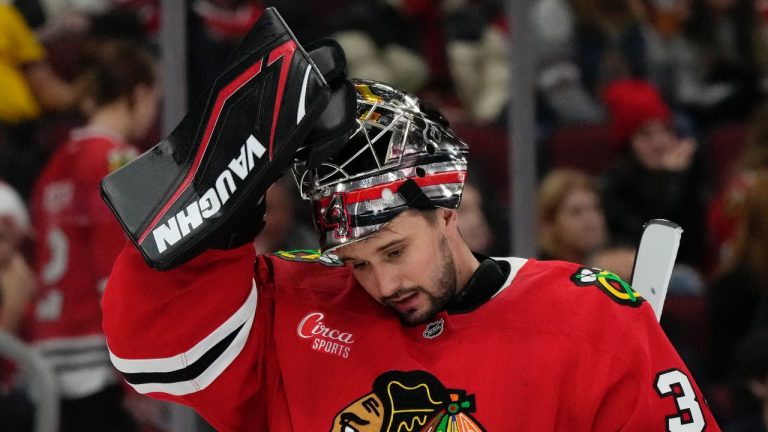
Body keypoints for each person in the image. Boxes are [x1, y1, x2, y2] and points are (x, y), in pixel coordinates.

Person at [98, 50, 720, 431]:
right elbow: (153, 352)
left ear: (447, 209)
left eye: (394, 250)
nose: (383, 284)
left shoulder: (593, 320)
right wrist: (226, 178)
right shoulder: (299, 307)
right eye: (356, 262)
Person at [26, 40, 159, 432]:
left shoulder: (56, 162)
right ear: (139, 94)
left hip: (46, 354)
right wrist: (139, 381)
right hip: (97, 361)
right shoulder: (118, 163)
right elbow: (117, 277)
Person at [599, 78, 711, 270]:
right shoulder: (612, 189)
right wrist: (671, 179)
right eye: (646, 135)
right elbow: (655, 243)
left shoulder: (689, 175)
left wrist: (683, 177)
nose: (660, 144)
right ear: (628, 146)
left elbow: (697, 245)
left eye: (666, 131)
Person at [536, 168, 607, 264]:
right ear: (549, 223)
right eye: (576, 212)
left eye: (595, 208)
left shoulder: (613, 268)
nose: (590, 219)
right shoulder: (539, 273)